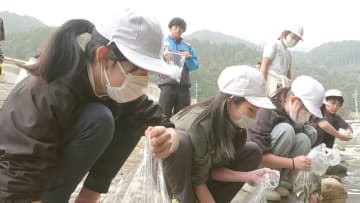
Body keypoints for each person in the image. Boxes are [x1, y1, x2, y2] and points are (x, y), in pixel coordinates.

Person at [0, 9, 185, 203]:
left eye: (148, 73)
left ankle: (87, 198)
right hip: (13, 184)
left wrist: (169, 136)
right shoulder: (47, 91)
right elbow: (15, 171)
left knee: (131, 116)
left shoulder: (110, 84)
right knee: (99, 118)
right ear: (103, 56)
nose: (143, 81)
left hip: (43, 174)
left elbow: (156, 119)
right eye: (137, 70)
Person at [171, 65, 276, 203]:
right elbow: (198, 180)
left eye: (257, 112)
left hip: (199, 174)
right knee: (183, 142)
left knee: (253, 151)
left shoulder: (234, 125)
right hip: (173, 175)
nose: (254, 118)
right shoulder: (201, 125)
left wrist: (249, 176)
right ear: (230, 103)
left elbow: (215, 170)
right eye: (251, 110)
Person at [247, 75, 325, 201]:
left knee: (305, 138)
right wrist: (293, 163)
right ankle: (261, 183)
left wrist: (308, 190)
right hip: (252, 169)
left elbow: (301, 162)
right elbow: (258, 155)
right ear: (293, 100)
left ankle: (280, 183)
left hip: (275, 170)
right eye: (307, 110)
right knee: (286, 130)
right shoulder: (267, 110)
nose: (308, 116)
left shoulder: (293, 115)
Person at [158, 17, 199, 117]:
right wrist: (163, 57)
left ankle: (177, 133)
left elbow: (195, 66)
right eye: (175, 27)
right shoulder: (162, 43)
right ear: (170, 28)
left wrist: (189, 58)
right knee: (162, 115)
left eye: (181, 28)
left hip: (183, 87)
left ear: (183, 30)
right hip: (167, 85)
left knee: (181, 116)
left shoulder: (188, 47)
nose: (178, 29)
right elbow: (153, 60)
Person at [260, 27, 303, 96]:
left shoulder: (289, 54)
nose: (294, 41)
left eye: (297, 40)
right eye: (293, 37)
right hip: (270, 84)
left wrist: (288, 87)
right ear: (286, 33)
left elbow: (288, 72)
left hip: (282, 87)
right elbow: (265, 64)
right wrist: (261, 83)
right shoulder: (274, 44)